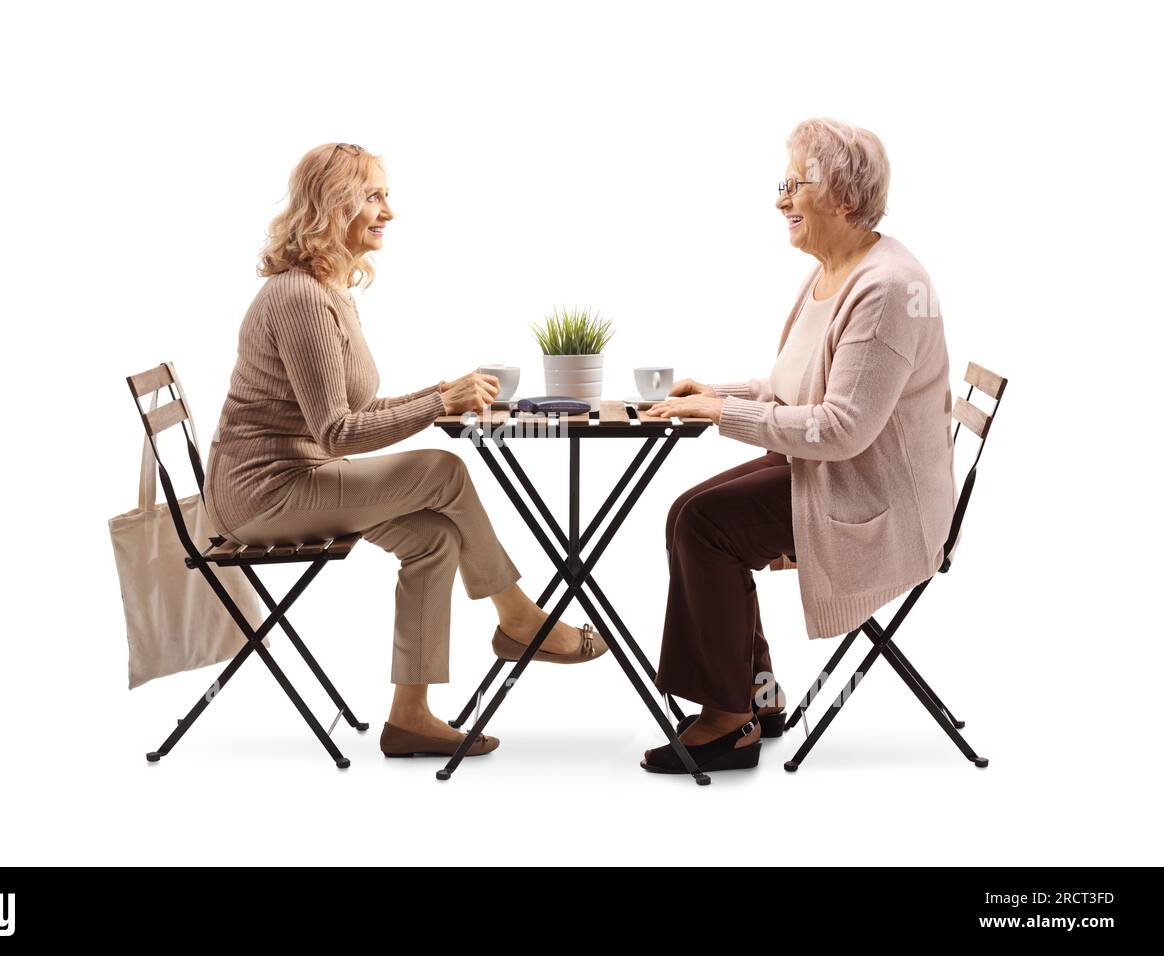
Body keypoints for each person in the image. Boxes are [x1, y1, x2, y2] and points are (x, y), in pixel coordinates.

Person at [203, 143, 606, 761]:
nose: (389, 209)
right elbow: (338, 432)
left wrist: (442, 394)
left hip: (297, 476)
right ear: (333, 207)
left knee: (432, 537)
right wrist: (439, 404)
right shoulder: (301, 299)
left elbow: (352, 415)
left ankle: (410, 717)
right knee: (443, 468)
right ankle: (520, 618)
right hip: (263, 495)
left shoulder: (329, 292)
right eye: (374, 196)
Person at [639, 119, 956, 774]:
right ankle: (757, 695)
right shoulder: (836, 270)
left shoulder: (888, 288)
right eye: (780, 184)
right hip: (839, 472)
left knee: (705, 525)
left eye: (793, 184)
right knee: (688, 514)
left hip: (878, 500)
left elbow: (841, 429)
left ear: (842, 196)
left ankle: (729, 724)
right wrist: (717, 390)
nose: (780, 198)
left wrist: (723, 413)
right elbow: (799, 386)